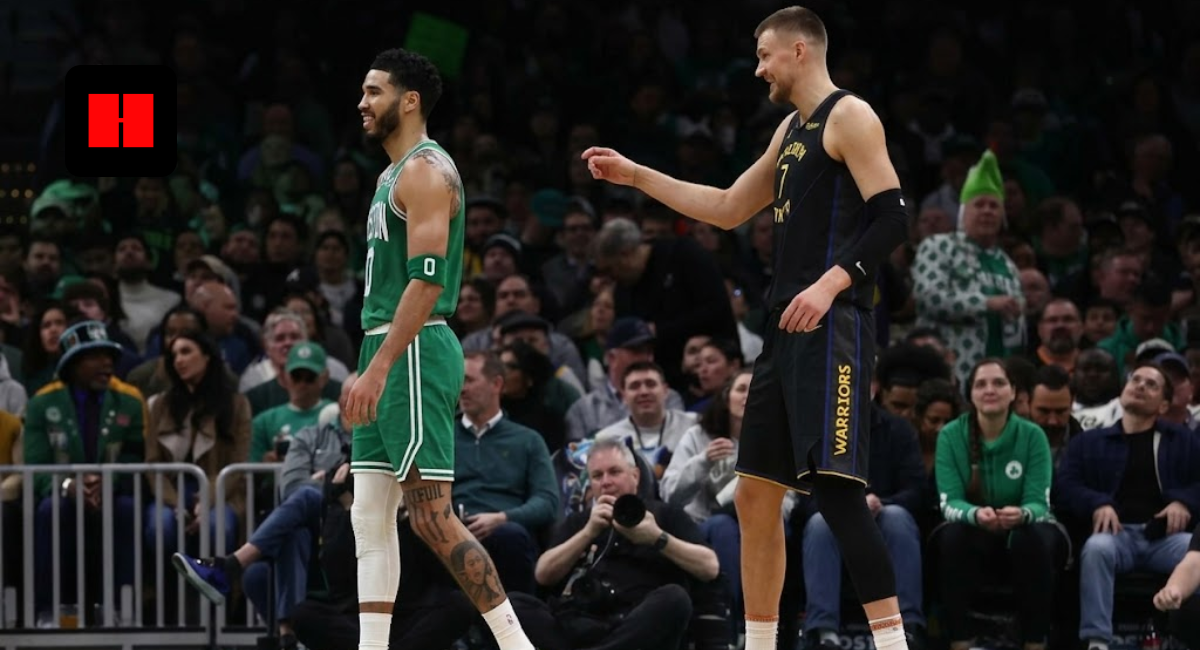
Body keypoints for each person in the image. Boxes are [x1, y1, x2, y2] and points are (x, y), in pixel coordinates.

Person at [582, 7, 912, 650]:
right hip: (784, 329)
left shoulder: (850, 115)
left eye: (764, 55)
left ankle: (892, 644)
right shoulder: (791, 129)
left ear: (797, 50)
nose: (757, 68)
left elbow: (892, 218)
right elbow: (730, 208)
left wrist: (830, 283)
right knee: (754, 497)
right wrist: (636, 175)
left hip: (834, 324)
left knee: (838, 497)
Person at [341, 48, 535, 650]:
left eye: (374, 92)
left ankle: (516, 644)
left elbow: (426, 282)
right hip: (386, 346)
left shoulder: (427, 171)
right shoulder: (389, 175)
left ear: (410, 100)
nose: (362, 103)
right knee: (369, 513)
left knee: (430, 514)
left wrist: (378, 369)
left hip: (413, 351)